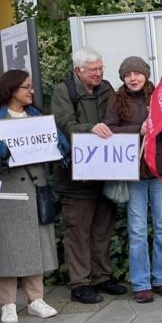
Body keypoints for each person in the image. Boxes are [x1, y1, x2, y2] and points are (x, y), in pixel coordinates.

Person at [0, 69, 62, 323]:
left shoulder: (36, 117)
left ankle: (36, 299)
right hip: (7, 190)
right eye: (26, 86)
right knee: (8, 248)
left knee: (35, 243)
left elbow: (52, 147)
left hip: (35, 187)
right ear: (11, 89)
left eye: (31, 86)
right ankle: (8, 304)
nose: (31, 91)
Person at [50, 48, 125, 305]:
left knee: (103, 229)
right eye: (93, 69)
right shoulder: (64, 92)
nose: (99, 73)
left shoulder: (106, 88)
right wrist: (90, 129)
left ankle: (102, 277)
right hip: (75, 177)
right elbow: (63, 124)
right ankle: (80, 283)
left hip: (104, 173)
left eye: (101, 68)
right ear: (77, 71)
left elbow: (117, 119)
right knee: (78, 231)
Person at [103, 56, 162, 304]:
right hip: (133, 171)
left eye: (137, 73)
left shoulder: (160, 96)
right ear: (123, 78)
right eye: (128, 75)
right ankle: (141, 282)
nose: (133, 78)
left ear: (145, 75)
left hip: (160, 171)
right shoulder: (116, 100)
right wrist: (139, 129)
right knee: (136, 230)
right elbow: (110, 130)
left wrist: (159, 121)